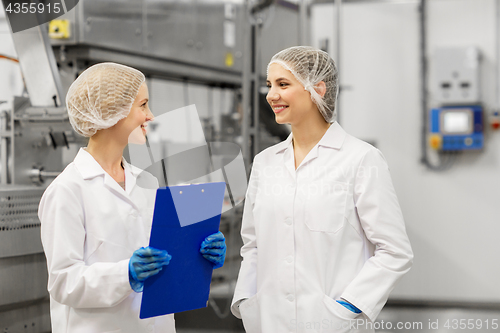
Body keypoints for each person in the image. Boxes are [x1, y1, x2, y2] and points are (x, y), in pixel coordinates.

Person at [231, 46, 413, 333]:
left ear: (317, 88)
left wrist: (346, 308)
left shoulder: (360, 158)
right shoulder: (265, 162)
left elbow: (395, 251)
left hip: (332, 324)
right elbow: (252, 245)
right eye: (269, 85)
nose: (271, 95)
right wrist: (245, 299)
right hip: (270, 321)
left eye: (283, 84)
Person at [38, 63, 226, 333]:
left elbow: (162, 257)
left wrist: (199, 255)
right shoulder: (67, 190)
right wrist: (126, 273)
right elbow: (63, 282)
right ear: (110, 111)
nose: (150, 116)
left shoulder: (147, 181)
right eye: (143, 105)